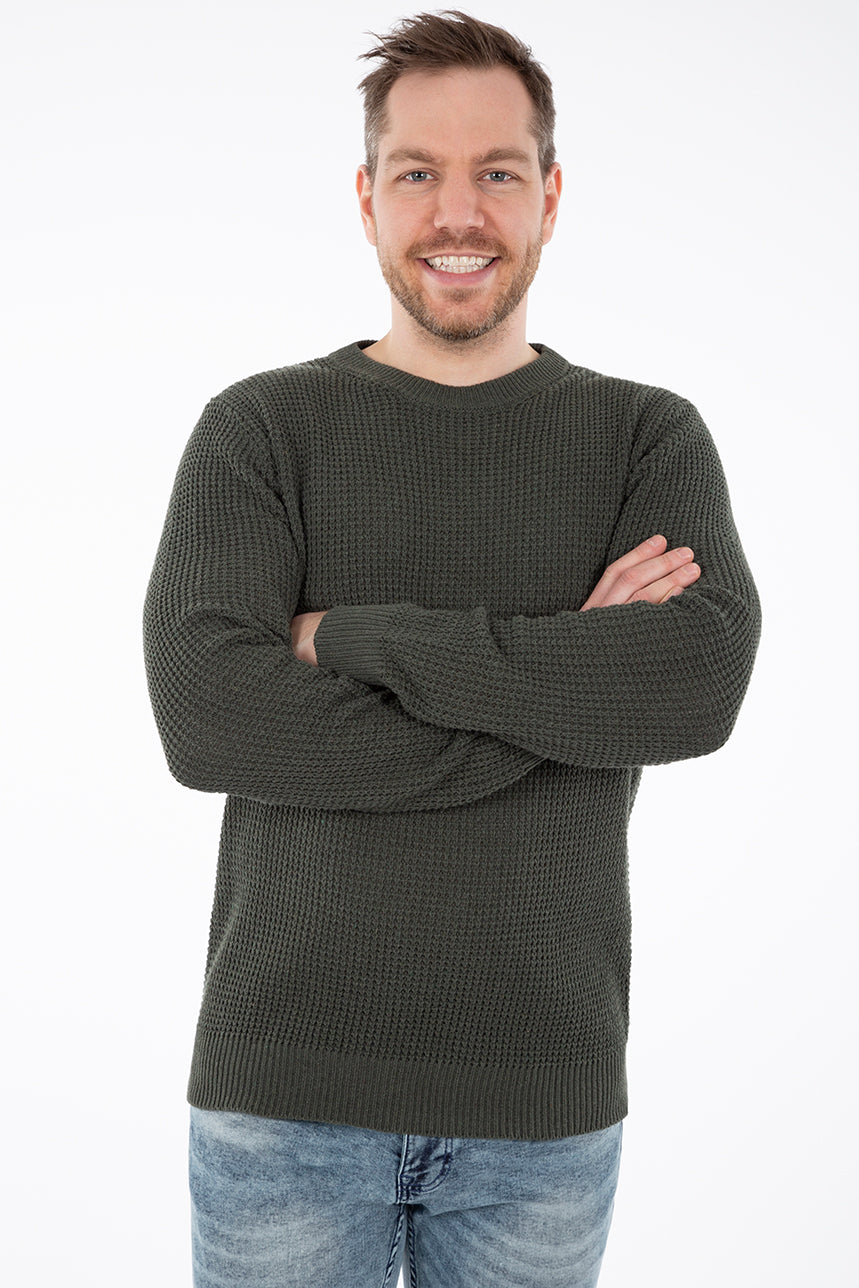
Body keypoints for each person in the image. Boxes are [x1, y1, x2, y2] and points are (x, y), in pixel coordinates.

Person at [143, 10, 760, 1287]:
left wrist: (349, 636)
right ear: (367, 197)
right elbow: (208, 717)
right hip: (282, 1098)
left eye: (498, 172)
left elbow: (694, 687)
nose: (458, 213)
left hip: (544, 1107)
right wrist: (565, 684)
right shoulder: (261, 430)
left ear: (551, 197)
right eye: (419, 171)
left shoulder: (645, 438)